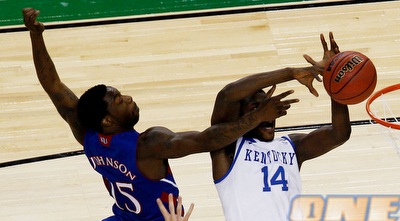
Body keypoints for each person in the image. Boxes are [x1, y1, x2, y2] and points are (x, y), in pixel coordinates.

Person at [22, 7, 301, 221]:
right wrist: (257, 116)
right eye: (119, 100)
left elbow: (53, 86)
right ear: (108, 120)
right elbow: (208, 140)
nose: (128, 98)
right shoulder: (149, 144)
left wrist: (35, 36)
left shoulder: (88, 134)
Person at [210, 32, 351, 221]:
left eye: (269, 106)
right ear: (242, 115)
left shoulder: (290, 145)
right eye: (257, 108)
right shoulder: (228, 147)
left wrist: (335, 77)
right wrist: (290, 73)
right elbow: (227, 95)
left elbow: (339, 134)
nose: (269, 112)